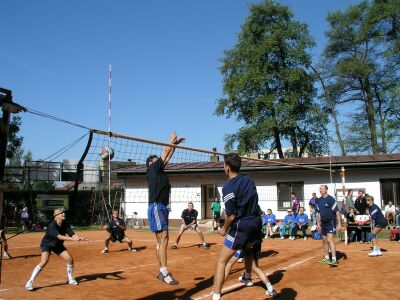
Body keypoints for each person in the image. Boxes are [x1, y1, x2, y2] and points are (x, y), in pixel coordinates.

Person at [212, 153, 263, 300]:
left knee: (221, 261)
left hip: (242, 224)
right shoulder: (248, 179)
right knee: (247, 250)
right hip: (256, 222)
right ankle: (247, 277)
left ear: (227, 167)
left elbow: (231, 216)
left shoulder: (228, 187)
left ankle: (216, 295)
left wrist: (223, 229)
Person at [146, 132, 184, 285]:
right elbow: (165, 153)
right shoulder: (152, 169)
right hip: (157, 206)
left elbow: (168, 156)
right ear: (151, 163)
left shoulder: (158, 170)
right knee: (165, 238)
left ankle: (162, 270)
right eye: (156, 161)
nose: (160, 161)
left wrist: (175, 144)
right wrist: (170, 141)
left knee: (160, 241)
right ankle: (164, 272)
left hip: (160, 207)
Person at [25, 208, 88, 291]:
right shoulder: (52, 226)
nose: (63, 213)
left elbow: (72, 234)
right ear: (56, 215)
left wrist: (79, 238)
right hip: (47, 244)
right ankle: (30, 282)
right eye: (61, 212)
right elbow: (60, 236)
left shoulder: (65, 223)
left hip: (57, 245)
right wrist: (74, 239)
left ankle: (70, 279)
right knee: (44, 261)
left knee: (69, 259)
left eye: (64, 212)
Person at [224, 231, 277, 297]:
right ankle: (248, 278)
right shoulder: (258, 220)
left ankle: (217, 290)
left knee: (229, 263)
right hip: (257, 241)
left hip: (246, 242)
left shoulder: (244, 221)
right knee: (253, 265)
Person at [317, 185, 341, 266]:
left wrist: (339, 224)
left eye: (322, 189)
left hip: (330, 222)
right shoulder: (319, 200)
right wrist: (318, 223)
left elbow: (337, 212)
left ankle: (334, 259)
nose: (320, 190)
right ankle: (327, 258)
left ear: (326, 190)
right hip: (323, 223)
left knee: (329, 240)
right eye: (320, 189)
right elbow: (319, 212)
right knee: (324, 240)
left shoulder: (331, 199)